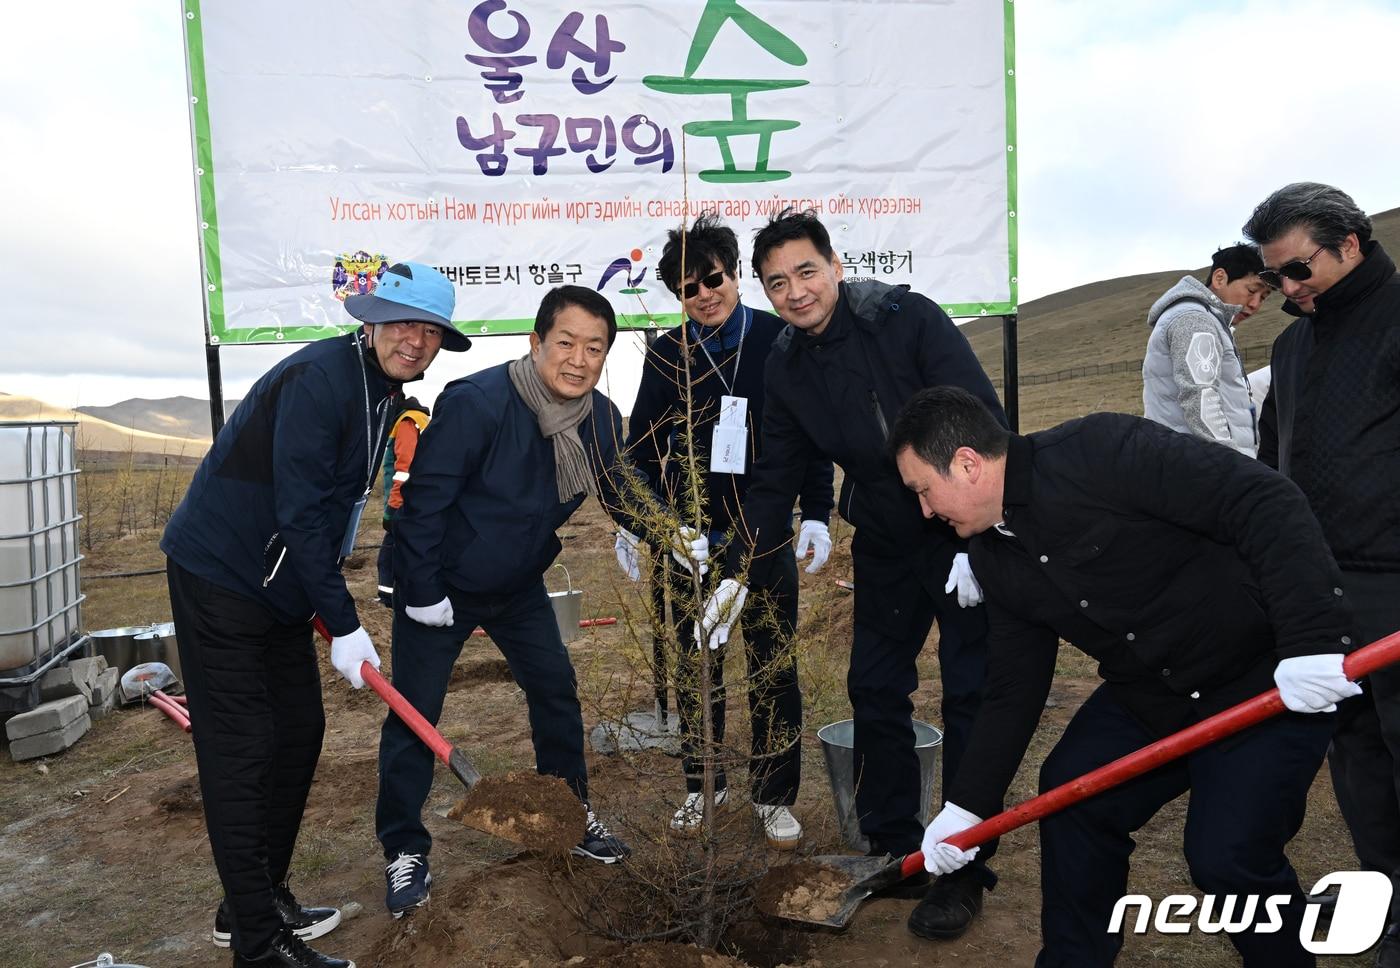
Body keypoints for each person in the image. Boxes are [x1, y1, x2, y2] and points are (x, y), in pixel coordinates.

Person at [893, 386, 1359, 967]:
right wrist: (967, 809)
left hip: (1262, 679)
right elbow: (1015, 687)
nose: (926, 511)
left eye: (923, 491)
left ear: (966, 464)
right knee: (1071, 799)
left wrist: (1313, 638)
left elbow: (1260, 496)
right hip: (1150, 697)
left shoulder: (1104, 451)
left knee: (1227, 856)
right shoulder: (994, 556)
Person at [698, 209, 1007, 937]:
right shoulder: (788, 365)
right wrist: (741, 570)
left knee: (970, 688)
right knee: (873, 685)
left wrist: (979, 539)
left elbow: (982, 421)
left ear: (836, 265)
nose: (796, 292)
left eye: (807, 271)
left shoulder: (907, 321)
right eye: (778, 283)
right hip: (887, 538)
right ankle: (895, 848)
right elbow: (774, 475)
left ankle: (965, 865)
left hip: (959, 527)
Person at [161, 262, 469, 968]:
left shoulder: (379, 393)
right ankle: (259, 947)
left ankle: (254, 900)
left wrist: (324, 611)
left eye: (429, 330)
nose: (415, 340)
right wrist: (344, 618)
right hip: (221, 577)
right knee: (242, 752)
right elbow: (299, 513)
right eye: (402, 323)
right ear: (371, 321)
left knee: (300, 729)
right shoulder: (321, 381)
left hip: (278, 586)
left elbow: (332, 512)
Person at [376, 285, 707, 917]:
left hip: (519, 584)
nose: (579, 360)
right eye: (566, 343)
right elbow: (424, 504)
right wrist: (420, 591)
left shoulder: (601, 419)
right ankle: (403, 848)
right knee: (417, 716)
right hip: (442, 584)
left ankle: (569, 814)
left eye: (595, 348)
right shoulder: (478, 403)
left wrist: (673, 533)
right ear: (535, 342)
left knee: (556, 691)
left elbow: (621, 487)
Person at [622, 213, 834, 847]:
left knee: (773, 667)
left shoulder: (778, 341)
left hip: (762, 539)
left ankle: (772, 796)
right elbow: (638, 448)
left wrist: (818, 511)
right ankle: (703, 784)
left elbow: (812, 437)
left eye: (712, 278)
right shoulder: (666, 355)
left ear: (734, 273)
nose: (704, 294)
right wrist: (648, 523)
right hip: (691, 547)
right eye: (688, 288)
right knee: (695, 670)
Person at [1244, 181, 1400, 967]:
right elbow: (1275, 466)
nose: (1289, 291)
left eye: (1301, 270)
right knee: (1358, 755)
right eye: (1277, 278)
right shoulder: (1291, 347)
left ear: (1351, 244)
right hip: (1324, 593)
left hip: (1399, 587)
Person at [1142, 243, 1272, 455]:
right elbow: (1201, 399)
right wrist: (1233, 465)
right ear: (1220, 278)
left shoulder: (1207, 320)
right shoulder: (1194, 320)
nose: (1255, 304)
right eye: (1252, 290)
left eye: (1264, 297)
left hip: (1192, 460)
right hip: (1201, 467)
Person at [375, 395, 430, 607]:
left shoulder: (406, 423)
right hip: (418, 499)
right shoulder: (420, 420)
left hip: (404, 501)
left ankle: (388, 599)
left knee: (388, 556)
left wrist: (392, 508)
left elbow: (403, 471)